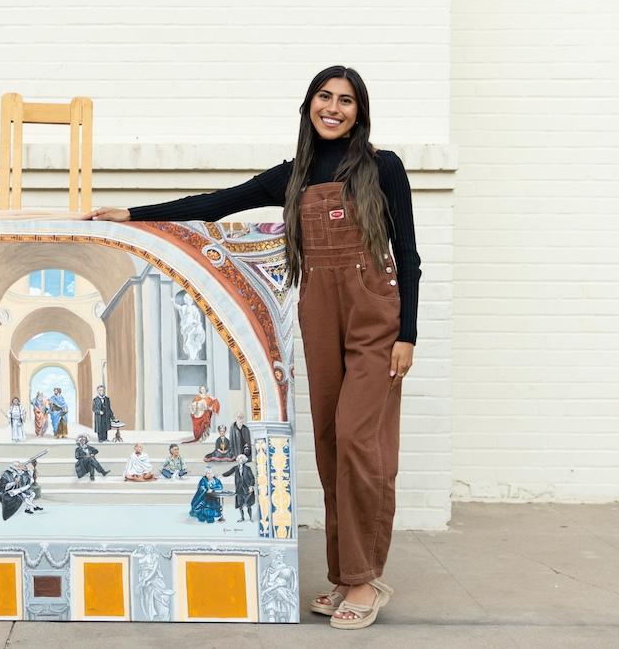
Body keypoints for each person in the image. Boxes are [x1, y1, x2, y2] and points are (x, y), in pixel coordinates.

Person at [82, 65, 417, 629]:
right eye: (324, 97)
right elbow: (218, 202)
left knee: (363, 443)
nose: (333, 108)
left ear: (360, 111)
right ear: (309, 104)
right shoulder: (293, 175)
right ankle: (345, 576)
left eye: (347, 101)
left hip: (373, 314)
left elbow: (407, 251)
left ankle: (365, 580)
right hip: (318, 308)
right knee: (332, 445)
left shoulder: (383, 167)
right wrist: (134, 214)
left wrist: (407, 333)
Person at [222, 455, 256, 522]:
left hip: (247, 489)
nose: (240, 460)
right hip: (239, 489)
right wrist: (222, 475)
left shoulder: (247, 468)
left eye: (241, 458)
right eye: (239, 458)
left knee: (248, 505)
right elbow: (229, 472)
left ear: (244, 460)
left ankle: (250, 518)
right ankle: (242, 518)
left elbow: (252, 478)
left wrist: (251, 486)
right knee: (240, 505)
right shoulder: (235, 468)